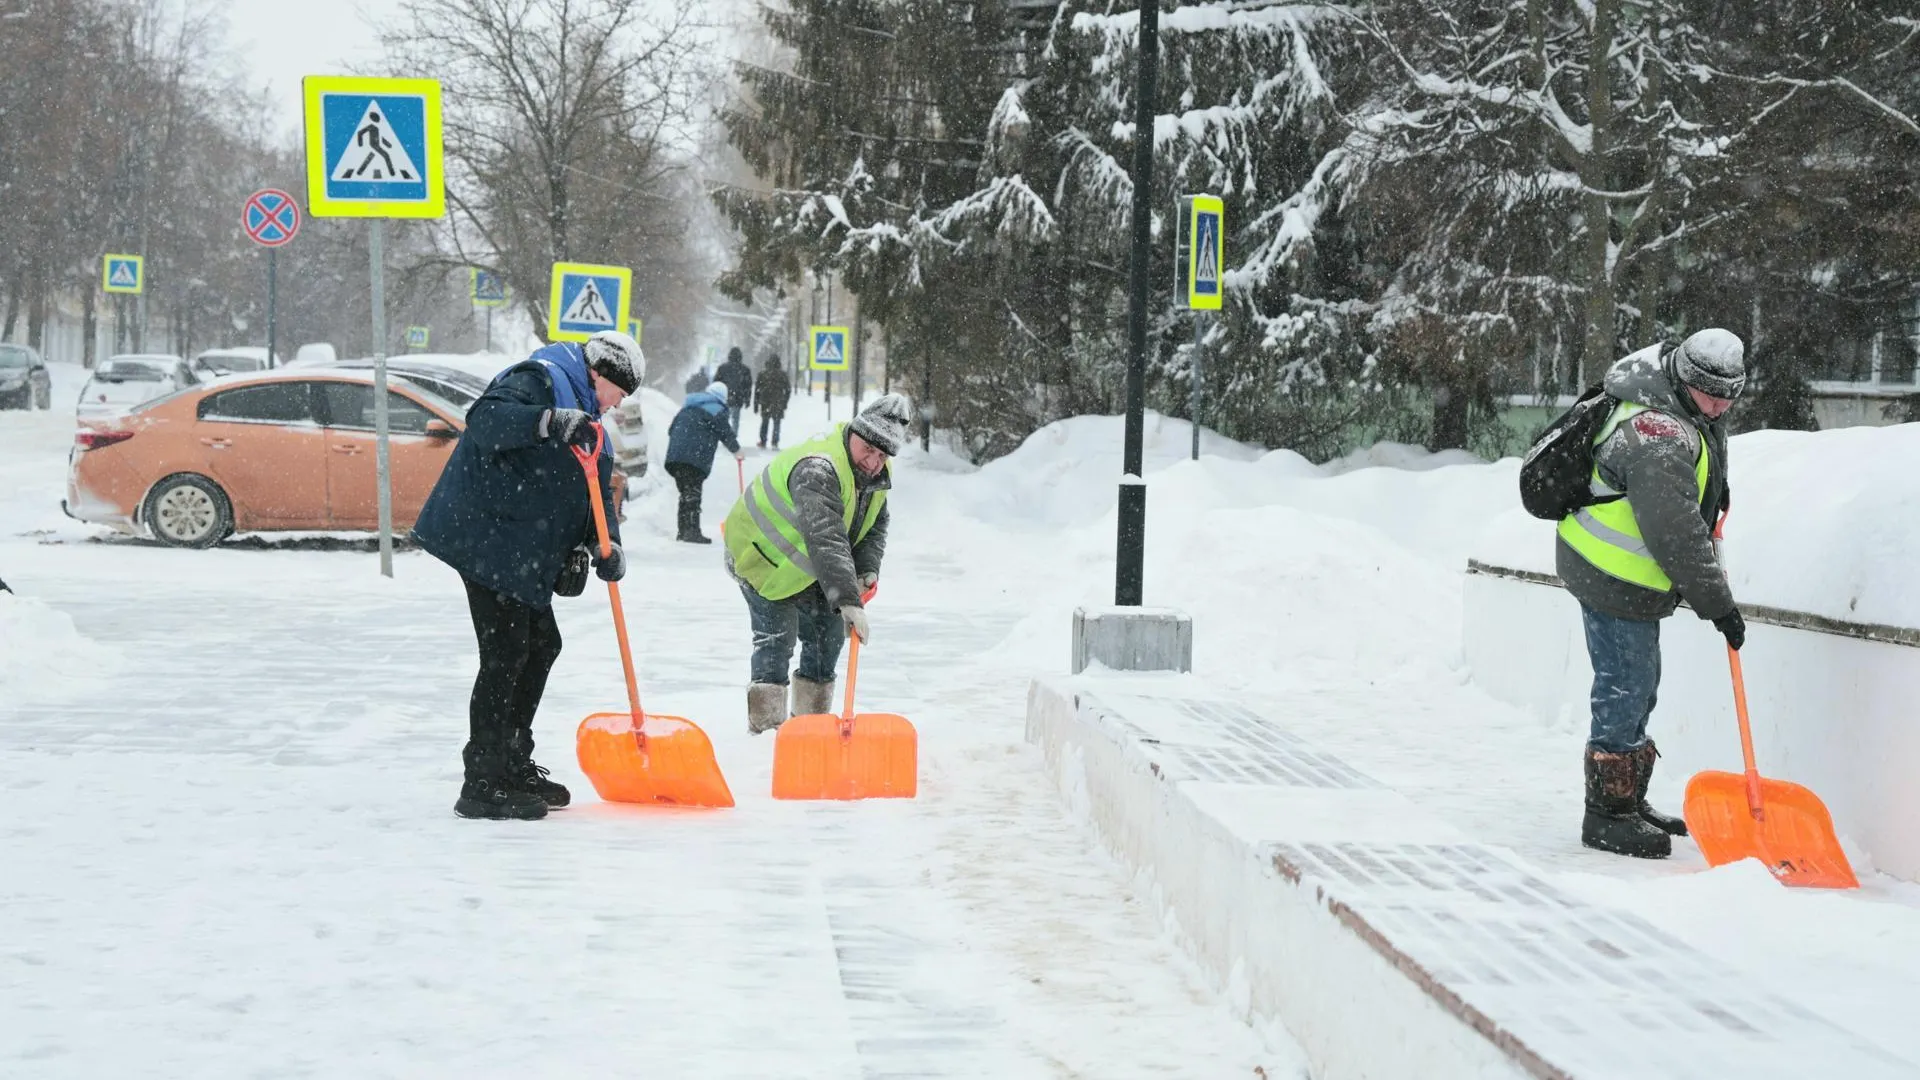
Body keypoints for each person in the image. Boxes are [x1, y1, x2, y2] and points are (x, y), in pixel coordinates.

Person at [412, 330, 642, 821]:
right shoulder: (538, 380)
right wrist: (548, 422)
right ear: (598, 375)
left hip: (519, 549)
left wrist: (609, 545)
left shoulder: (589, 420)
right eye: (618, 393)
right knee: (507, 652)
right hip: (487, 536)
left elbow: (596, 487)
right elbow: (485, 421)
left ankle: (512, 763)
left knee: (541, 645)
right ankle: (482, 782)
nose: (617, 405)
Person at [1557, 328, 1744, 859]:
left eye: (1729, 395)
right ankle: (1606, 814)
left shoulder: (1685, 407)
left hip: (1631, 575)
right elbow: (1676, 533)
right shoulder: (1656, 431)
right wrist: (1720, 607)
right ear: (1685, 381)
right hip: (1610, 572)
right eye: (1711, 395)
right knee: (1625, 683)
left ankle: (1629, 796)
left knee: (1641, 680)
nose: (1719, 405)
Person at [723, 393, 912, 735]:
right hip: (762, 557)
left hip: (809, 568)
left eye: (882, 455)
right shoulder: (818, 467)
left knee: (827, 640)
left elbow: (874, 524)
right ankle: (765, 735)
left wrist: (866, 570)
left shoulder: (875, 474)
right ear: (854, 432)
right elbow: (826, 536)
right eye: (868, 449)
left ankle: (808, 734)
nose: (873, 462)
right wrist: (849, 600)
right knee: (777, 641)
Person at [664, 380, 744, 544]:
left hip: (675, 458)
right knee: (692, 494)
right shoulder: (717, 409)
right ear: (723, 398)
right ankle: (692, 532)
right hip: (693, 459)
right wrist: (737, 451)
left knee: (686, 493)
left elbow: (671, 430)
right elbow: (725, 432)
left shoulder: (688, 406)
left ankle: (684, 531)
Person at [752, 353, 792, 449]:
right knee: (777, 422)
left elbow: (757, 390)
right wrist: (785, 402)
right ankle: (775, 442)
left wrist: (756, 405)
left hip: (765, 402)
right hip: (778, 402)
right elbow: (788, 390)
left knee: (765, 422)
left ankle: (763, 441)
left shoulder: (762, 374)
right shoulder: (782, 375)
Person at [714, 346, 754, 436]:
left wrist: (715, 397)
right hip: (738, 398)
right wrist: (747, 399)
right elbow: (748, 386)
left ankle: (725, 435)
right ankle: (733, 436)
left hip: (724, 397)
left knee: (725, 418)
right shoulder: (745, 370)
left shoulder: (722, 368)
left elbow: (716, 383)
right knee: (735, 419)